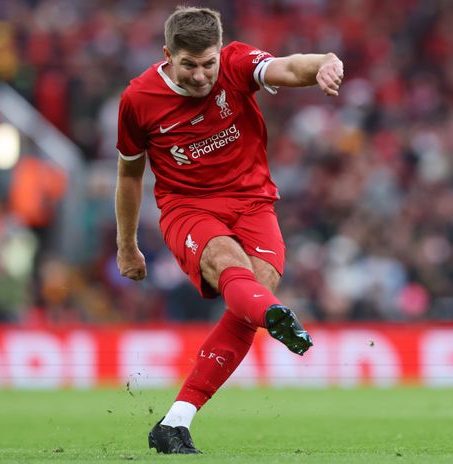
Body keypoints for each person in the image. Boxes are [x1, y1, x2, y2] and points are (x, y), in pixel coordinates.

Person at [114, 6, 343, 454]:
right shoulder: (138, 100)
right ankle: (275, 316)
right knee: (226, 262)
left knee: (255, 293)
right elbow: (128, 175)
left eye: (208, 63)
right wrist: (127, 246)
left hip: (253, 201)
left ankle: (175, 421)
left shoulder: (237, 64)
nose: (201, 76)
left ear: (220, 52)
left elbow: (290, 66)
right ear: (167, 55)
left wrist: (325, 63)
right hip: (188, 207)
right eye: (189, 65)